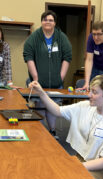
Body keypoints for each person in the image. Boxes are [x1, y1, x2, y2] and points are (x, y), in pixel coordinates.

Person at [29, 74, 103, 179]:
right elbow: (58, 111)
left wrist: (76, 166)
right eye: (90, 91)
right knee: (50, 172)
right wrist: (41, 93)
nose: (89, 95)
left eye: (94, 92)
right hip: (81, 158)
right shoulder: (85, 107)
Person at [23, 10, 72, 139]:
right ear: (42, 22)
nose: (47, 22)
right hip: (39, 83)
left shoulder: (62, 38)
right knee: (40, 106)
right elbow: (28, 57)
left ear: (55, 23)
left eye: (50, 20)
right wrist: (35, 78)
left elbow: (67, 57)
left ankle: (52, 131)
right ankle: (40, 133)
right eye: (45, 20)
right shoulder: (34, 37)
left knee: (52, 107)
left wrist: (61, 76)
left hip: (56, 84)